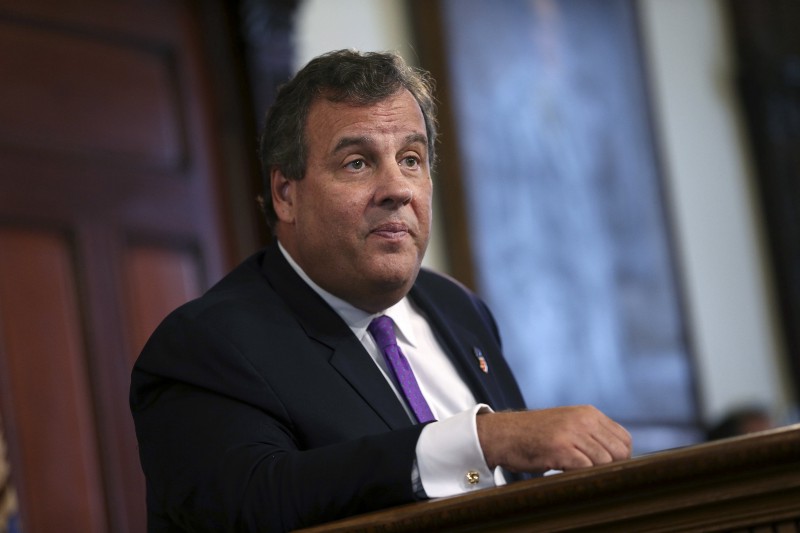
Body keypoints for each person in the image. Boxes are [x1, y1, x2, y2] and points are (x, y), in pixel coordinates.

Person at [130, 49, 632, 532]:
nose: (398, 189)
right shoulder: (208, 343)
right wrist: (479, 439)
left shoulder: (459, 310)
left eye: (411, 159)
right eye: (357, 163)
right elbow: (255, 502)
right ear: (286, 193)